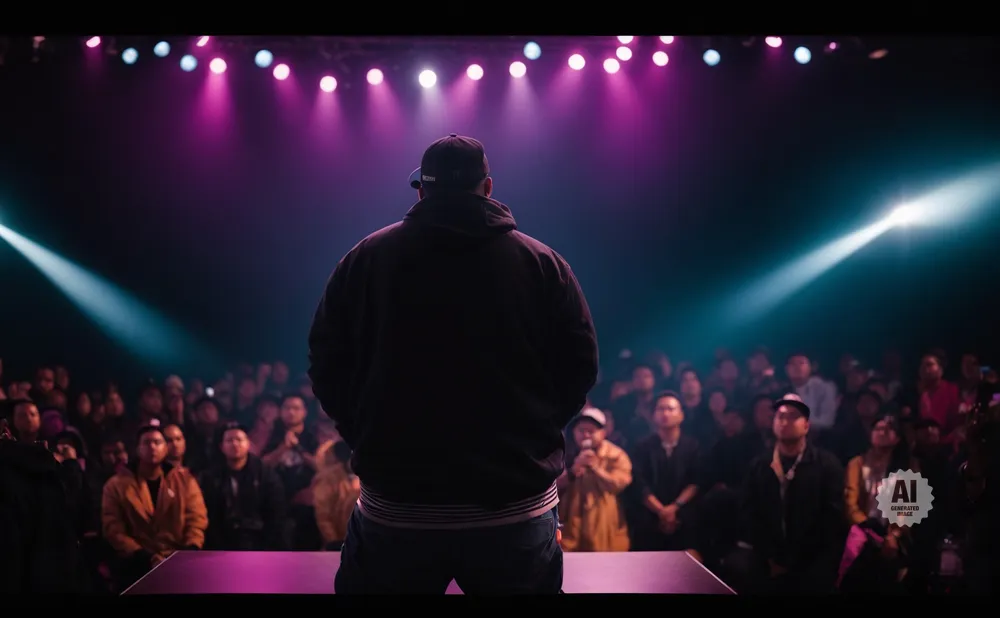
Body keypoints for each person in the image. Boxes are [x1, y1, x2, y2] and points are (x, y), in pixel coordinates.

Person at [308, 133, 599, 594]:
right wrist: (534, 433)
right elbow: (580, 366)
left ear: (421, 191)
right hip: (514, 506)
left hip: (398, 506)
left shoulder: (365, 260)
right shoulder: (543, 264)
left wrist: (364, 431)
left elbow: (326, 361)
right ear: (488, 187)